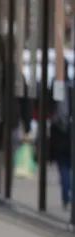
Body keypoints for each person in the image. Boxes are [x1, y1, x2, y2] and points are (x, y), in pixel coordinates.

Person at [49, 63, 73, 210]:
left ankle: (66, 196)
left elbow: (58, 112)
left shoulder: (57, 86)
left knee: (64, 165)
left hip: (61, 132)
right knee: (68, 165)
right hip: (69, 131)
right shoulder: (70, 85)